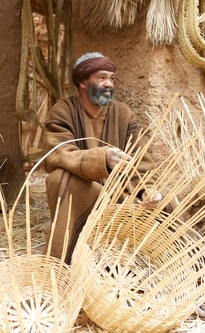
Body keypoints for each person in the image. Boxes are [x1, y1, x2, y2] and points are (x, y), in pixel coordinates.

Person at [42, 52, 164, 265]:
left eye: (111, 78)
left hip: (119, 195)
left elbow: (140, 159)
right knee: (59, 178)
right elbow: (58, 154)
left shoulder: (123, 114)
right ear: (82, 82)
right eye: (101, 77)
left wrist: (147, 190)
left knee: (168, 202)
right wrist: (101, 159)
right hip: (86, 192)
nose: (109, 84)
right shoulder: (63, 111)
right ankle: (60, 263)